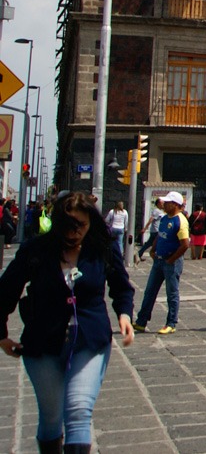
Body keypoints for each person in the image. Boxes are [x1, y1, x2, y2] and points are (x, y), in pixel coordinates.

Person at [0, 192, 136, 454]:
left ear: (90, 223)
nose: (74, 233)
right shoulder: (36, 251)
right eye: (68, 226)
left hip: (90, 340)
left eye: (80, 227)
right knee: (51, 417)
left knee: (77, 409)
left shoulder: (103, 249)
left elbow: (122, 287)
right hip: (43, 342)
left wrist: (125, 315)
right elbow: (6, 291)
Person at [134, 191, 190, 335]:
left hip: (172, 262)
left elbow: (185, 244)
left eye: (167, 202)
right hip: (158, 260)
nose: (164, 204)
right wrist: (153, 250)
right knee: (150, 291)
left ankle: (171, 323)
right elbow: (160, 236)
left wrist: (172, 259)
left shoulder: (180, 221)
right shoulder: (165, 218)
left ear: (176, 205)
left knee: (172, 293)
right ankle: (141, 321)